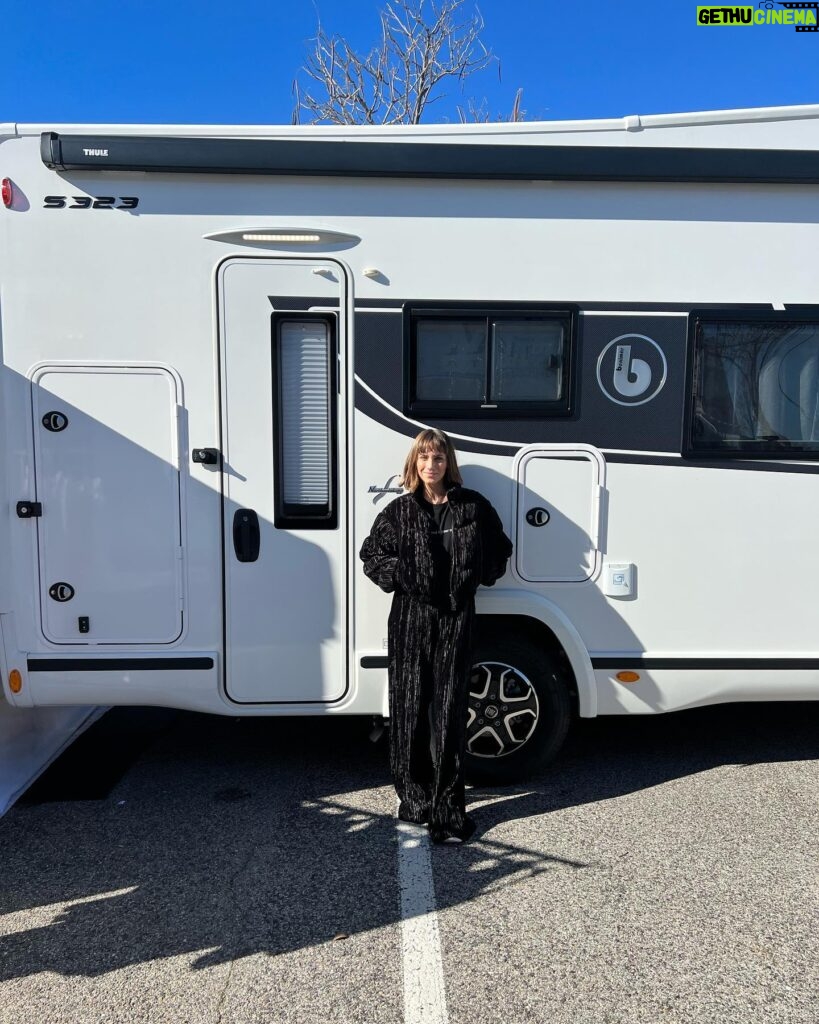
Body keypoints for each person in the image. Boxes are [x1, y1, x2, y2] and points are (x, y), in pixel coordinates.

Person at [359, 428, 513, 844]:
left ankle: (448, 809)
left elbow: (500, 548)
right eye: (424, 458)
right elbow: (370, 555)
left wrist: (481, 575)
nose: (431, 465)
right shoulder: (400, 511)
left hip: (457, 619)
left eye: (439, 458)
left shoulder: (472, 507)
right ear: (415, 464)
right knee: (409, 707)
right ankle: (413, 799)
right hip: (410, 618)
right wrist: (403, 576)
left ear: (449, 463)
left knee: (447, 711)